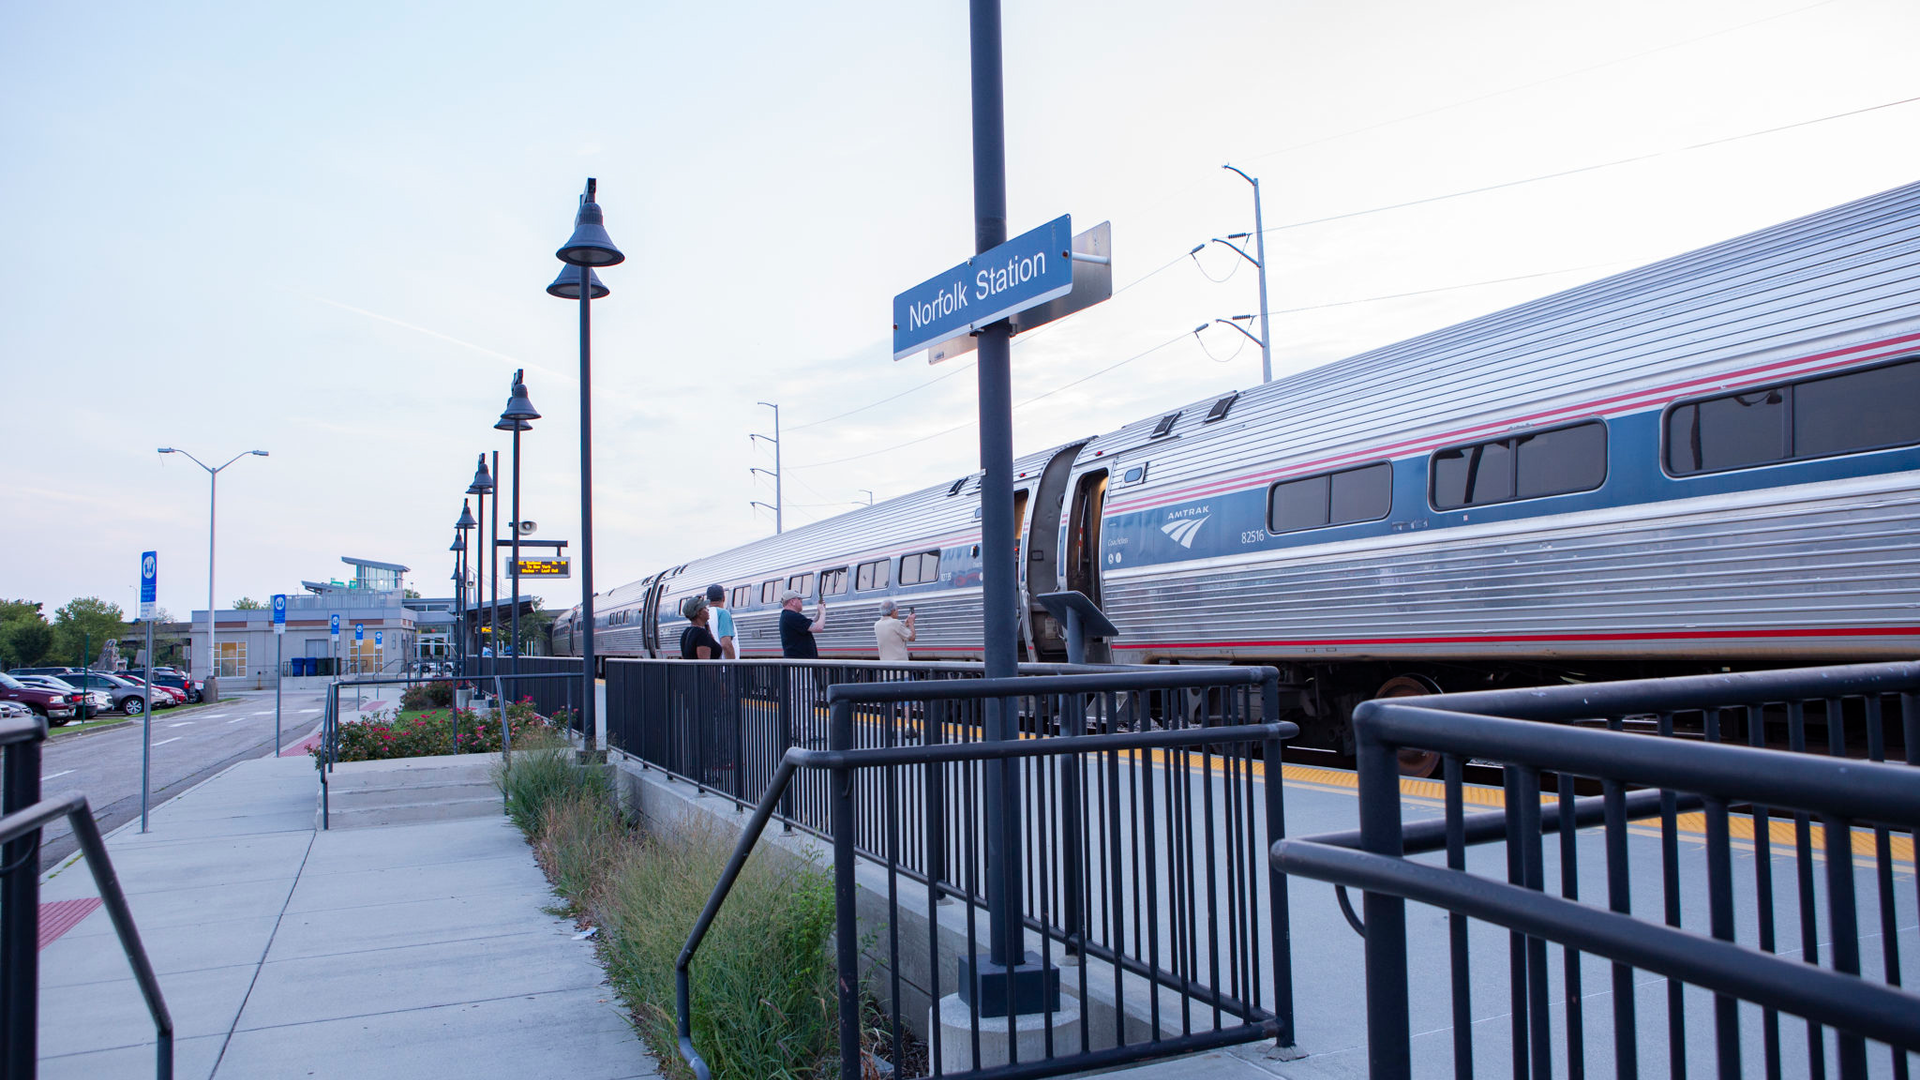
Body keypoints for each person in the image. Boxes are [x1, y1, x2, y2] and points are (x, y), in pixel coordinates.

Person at [778, 588, 825, 658]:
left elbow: (809, 623)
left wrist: (818, 613)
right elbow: (819, 628)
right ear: (792, 602)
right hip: (800, 664)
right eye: (799, 599)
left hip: (799, 662)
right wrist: (823, 612)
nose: (801, 601)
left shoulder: (787, 615)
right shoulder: (792, 616)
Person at [705, 584, 737, 659]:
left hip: (712, 666)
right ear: (724, 598)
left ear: (708, 600)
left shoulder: (704, 614)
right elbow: (726, 645)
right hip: (724, 667)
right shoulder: (723, 613)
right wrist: (733, 666)